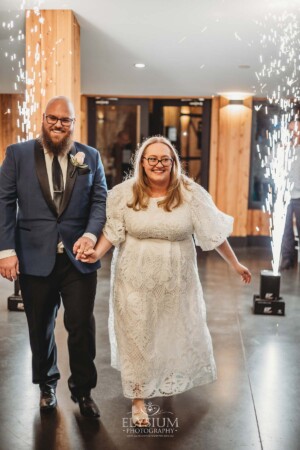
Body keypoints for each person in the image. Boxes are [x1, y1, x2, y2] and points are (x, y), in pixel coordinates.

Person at [77, 135, 251, 427]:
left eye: (164, 159)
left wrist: (234, 263)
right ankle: (138, 400)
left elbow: (213, 232)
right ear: (141, 162)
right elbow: (114, 230)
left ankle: (167, 380)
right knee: (137, 337)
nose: (158, 165)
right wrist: (96, 254)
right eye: (152, 159)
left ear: (173, 163)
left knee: (170, 333)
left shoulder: (189, 193)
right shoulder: (124, 194)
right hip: (134, 280)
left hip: (177, 282)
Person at [0, 96, 107, 418]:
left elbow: (100, 200)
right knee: (40, 326)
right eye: (53, 118)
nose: (59, 125)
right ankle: (46, 385)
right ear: (43, 119)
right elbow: (4, 203)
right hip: (34, 257)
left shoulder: (90, 156)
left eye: (66, 120)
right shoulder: (17, 154)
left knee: (81, 325)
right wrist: (6, 251)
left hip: (79, 259)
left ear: (74, 123)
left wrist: (90, 235)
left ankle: (84, 391)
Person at [280, 115, 300, 270]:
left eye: (296, 130)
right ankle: (287, 259)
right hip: (285, 195)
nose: (293, 133)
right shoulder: (284, 149)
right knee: (285, 229)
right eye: (291, 130)